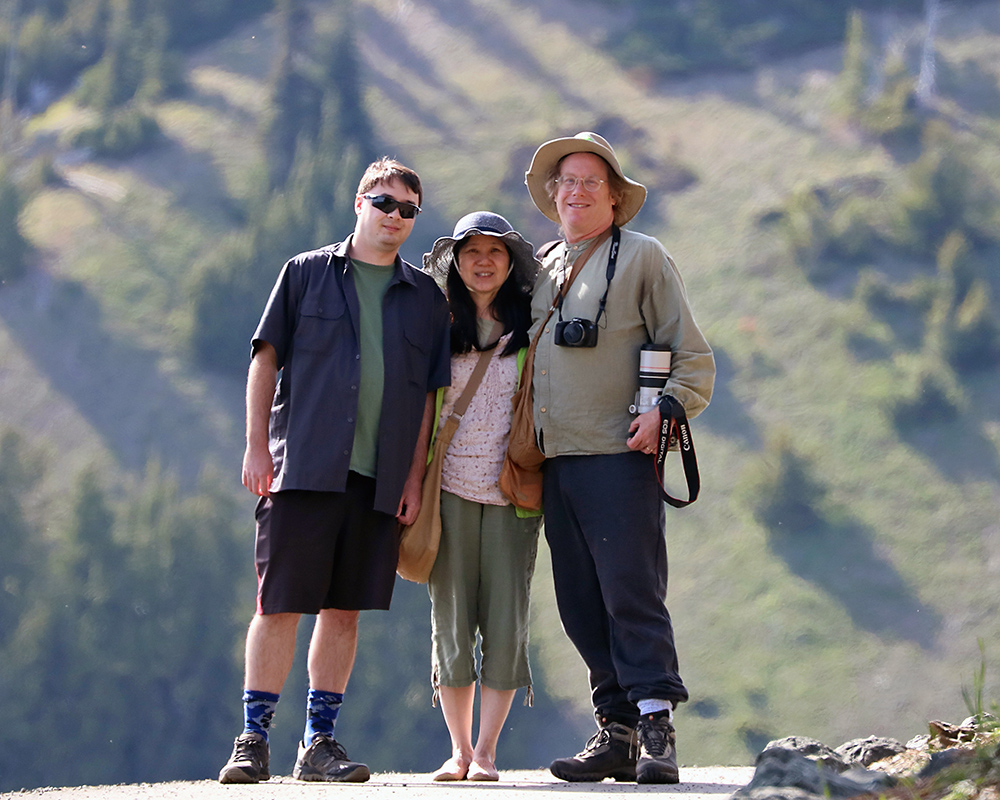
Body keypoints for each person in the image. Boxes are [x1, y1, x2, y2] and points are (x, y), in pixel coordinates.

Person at [218, 157, 451, 784]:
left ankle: (318, 744)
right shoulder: (303, 274)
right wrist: (256, 446)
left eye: (407, 210)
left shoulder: (425, 297)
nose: (395, 217)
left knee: (343, 613)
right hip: (302, 469)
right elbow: (265, 361)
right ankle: (252, 740)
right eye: (384, 203)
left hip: (377, 481)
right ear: (359, 202)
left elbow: (430, 396)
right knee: (278, 607)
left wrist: (411, 479)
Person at [523, 132, 715, 784]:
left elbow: (691, 357)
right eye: (565, 182)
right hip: (556, 462)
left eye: (588, 182)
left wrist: (665, 410)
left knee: (631, 593)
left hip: (618, 457)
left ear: (613, 197)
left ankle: (657, 727)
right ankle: (616, 731)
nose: (574, 191)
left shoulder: (643, 258)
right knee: (579, 601)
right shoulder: (543, 262)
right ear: (553, 194)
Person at [420, 212, 542, 782]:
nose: (484, 261)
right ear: (457, 261)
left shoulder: (533, 327)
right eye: (473, 252)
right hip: (445, 492)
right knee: (451, 619)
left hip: (513, 493)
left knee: (505, 619)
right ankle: (459, 751)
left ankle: (488, 753)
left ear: (511, 262)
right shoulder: (435, 325)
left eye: (496, 251)